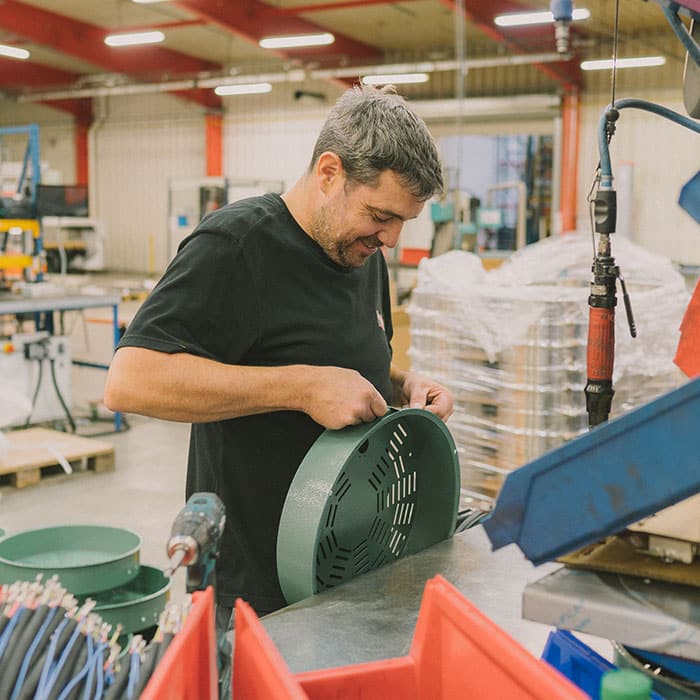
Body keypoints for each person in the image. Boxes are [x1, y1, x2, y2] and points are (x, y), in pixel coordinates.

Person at [103, 83, 453, 661]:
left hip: (347, 568)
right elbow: (130, 379)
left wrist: (403, 382)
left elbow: (341, 346)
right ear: (329, 171)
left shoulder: (360, 255)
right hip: (254, 598)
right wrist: (302, 387)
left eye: (402, 222)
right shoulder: (235, 247)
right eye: (381, 216)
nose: (391, 239)